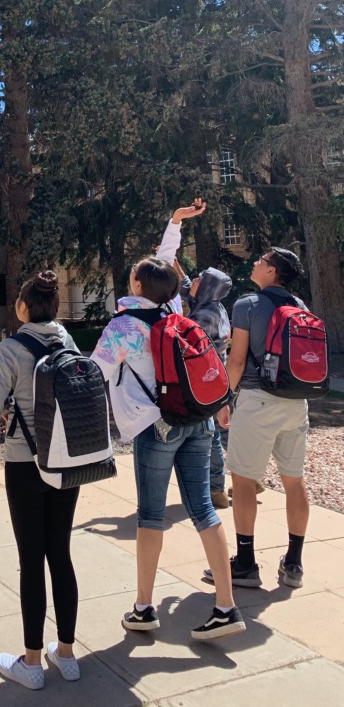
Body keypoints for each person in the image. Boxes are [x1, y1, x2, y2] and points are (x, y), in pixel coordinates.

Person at [90, 252, 245, 641]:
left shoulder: (123, 326)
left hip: (155, 427)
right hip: (197, 419)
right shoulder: (178, 318)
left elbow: (94, 373)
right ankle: (226, 607)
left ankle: (143, 608)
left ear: (138, 286)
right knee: (204, 510)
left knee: (150, 516)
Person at [0, 271, 82, 690]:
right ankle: (67, 654)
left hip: (25, 461)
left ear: (23, 306)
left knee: (31, 560)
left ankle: (31, 661)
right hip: (67, 460)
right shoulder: (67, 341)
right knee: (60, 552)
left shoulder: (11, 348)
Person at [205, 248, 310, 590]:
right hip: (296, 401)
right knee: (294, 480)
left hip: (258, 400)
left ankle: (246, 563)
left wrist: (224, 400)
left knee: (245, 480)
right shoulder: (300, 305)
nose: (254, 263)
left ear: (272, 271)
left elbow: (235, 362)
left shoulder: (247, 305)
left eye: (261, 261)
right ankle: (294, 562)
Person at [177, 263, 234, 509]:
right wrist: (173, 263)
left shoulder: (204, 315)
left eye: (200, 279)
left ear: (208, 287)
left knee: (212, 436)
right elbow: (187, 286)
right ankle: (248, 477)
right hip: (215, 381)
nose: (194, 281)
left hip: (207, 382)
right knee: (220, 432)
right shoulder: (212, 305)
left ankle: (217, 489)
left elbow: (183, 342)